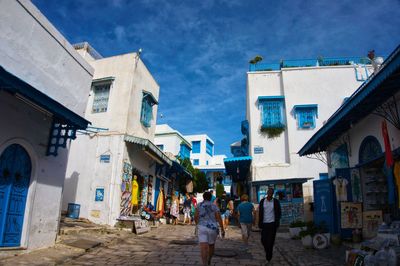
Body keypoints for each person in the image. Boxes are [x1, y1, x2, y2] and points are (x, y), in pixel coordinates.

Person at [195, 191, 224, 266]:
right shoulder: (214, 206)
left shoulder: (199, 205)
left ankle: (204, 263)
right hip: (213, 228)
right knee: (211, 245)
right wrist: (222, 228)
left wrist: (197, 224)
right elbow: (219, 218)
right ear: (211, 198)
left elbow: (196, 216)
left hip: (202, 227)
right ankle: (209, 259)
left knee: (203, 247)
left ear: (203, 197)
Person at [258, 187, 281, 264]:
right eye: (269, 193)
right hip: (264, 224)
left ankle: (268, 257)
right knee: (263, 240)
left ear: (273, 194)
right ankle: (268, 251)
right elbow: (260, 212)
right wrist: (258, 222)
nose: (270, 194)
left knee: (270, 241)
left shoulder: (276, 202)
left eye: (272, 193)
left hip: (272, 224)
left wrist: (277, 221)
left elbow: (279, 212)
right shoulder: (262, 201)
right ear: (267, 193)